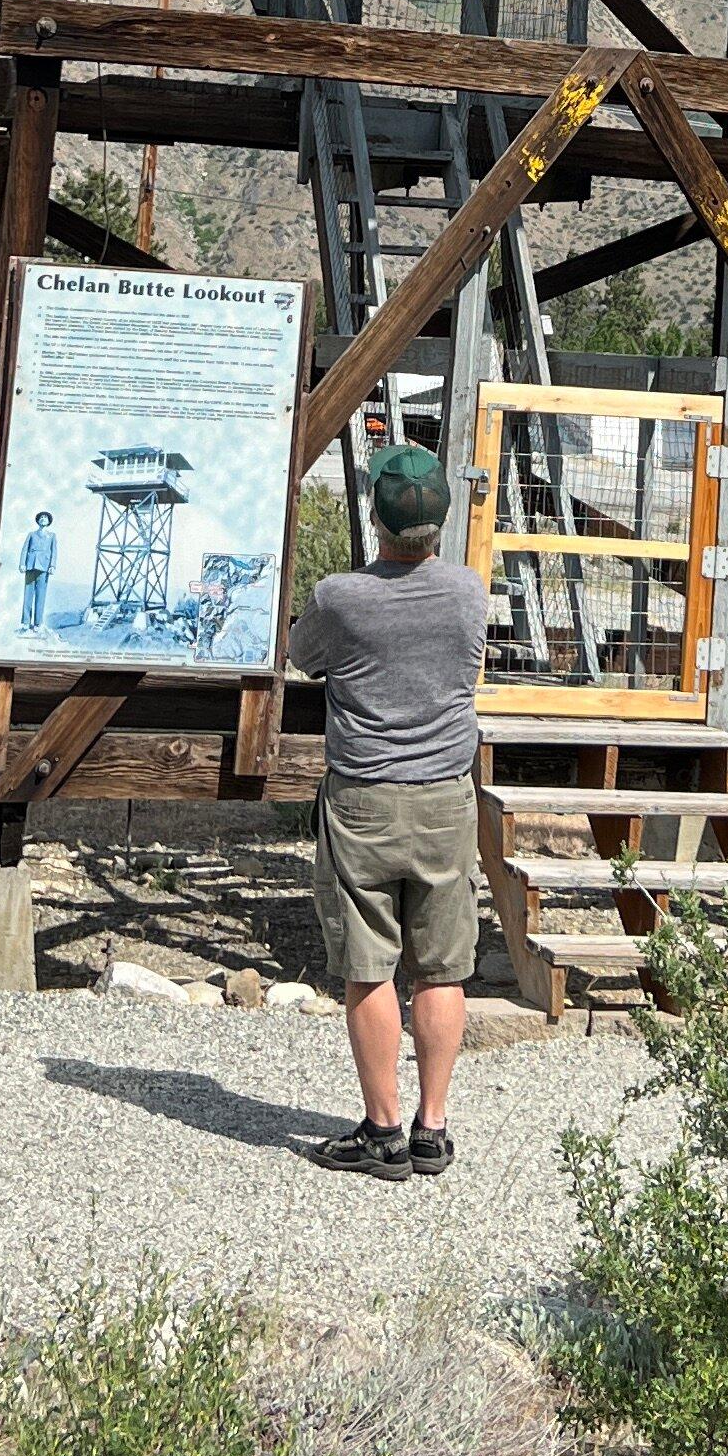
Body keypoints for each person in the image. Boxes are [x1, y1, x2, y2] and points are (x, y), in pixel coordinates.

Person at [286, 439, 489, 1181]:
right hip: (444, 795)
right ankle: (434, 1128)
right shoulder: (468, 592)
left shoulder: (343, 598)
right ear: (439, 518)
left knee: (369, 965)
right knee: (442, 966)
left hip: (365, 795)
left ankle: (383, 1130)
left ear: (374, 517)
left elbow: (303, 655)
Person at [18, 507, 58, 630]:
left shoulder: (52, 536)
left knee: (41, 596)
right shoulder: (31, 534)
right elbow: (25, 549)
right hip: (30, 566)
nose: (43, 519)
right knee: (28, 594)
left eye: (45, 518)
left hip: (44, 568)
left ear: (49, 521)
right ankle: (26, 622)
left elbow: (54, 552)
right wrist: (22, 564)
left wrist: (52, 566)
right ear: (38, 521)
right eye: (41, 518)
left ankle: (37, 623)